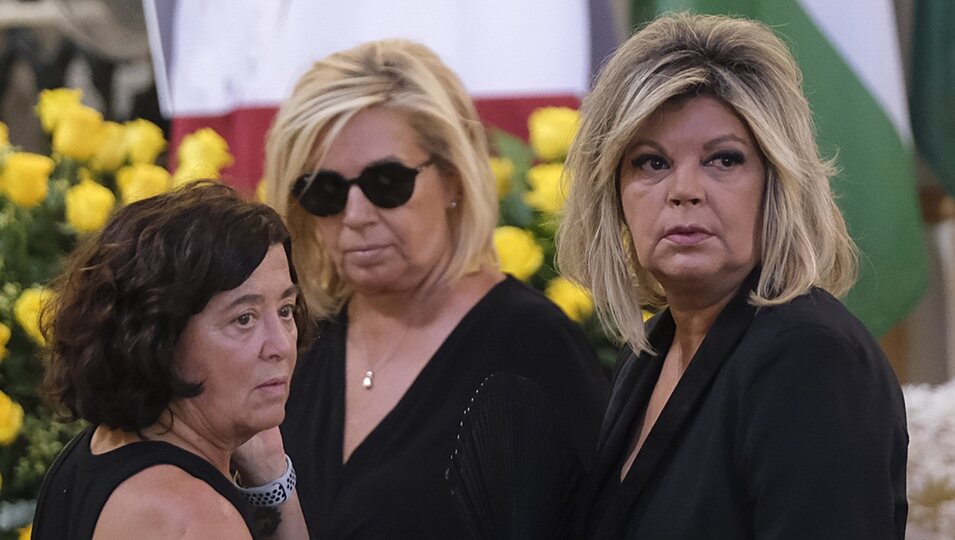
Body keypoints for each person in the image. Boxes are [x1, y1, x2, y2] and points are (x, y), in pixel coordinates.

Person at [236, 38, 609, 538]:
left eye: (386, 182)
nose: (356, 216)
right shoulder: (296, 343)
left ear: (454, 179)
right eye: (323, 191)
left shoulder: (532, 345)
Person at [556, 13, 908, 539]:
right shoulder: (651, 348)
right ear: (615, 194)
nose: (684, 190)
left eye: (723, 160)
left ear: (777, 184)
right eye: (651, 163)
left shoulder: (810, 356)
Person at [32, 182, 312, 539]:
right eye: (244, 318)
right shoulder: (196, 517)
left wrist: (271, 472)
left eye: (286, 310)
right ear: (159, 336)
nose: (281, 345)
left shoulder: (93, 452)